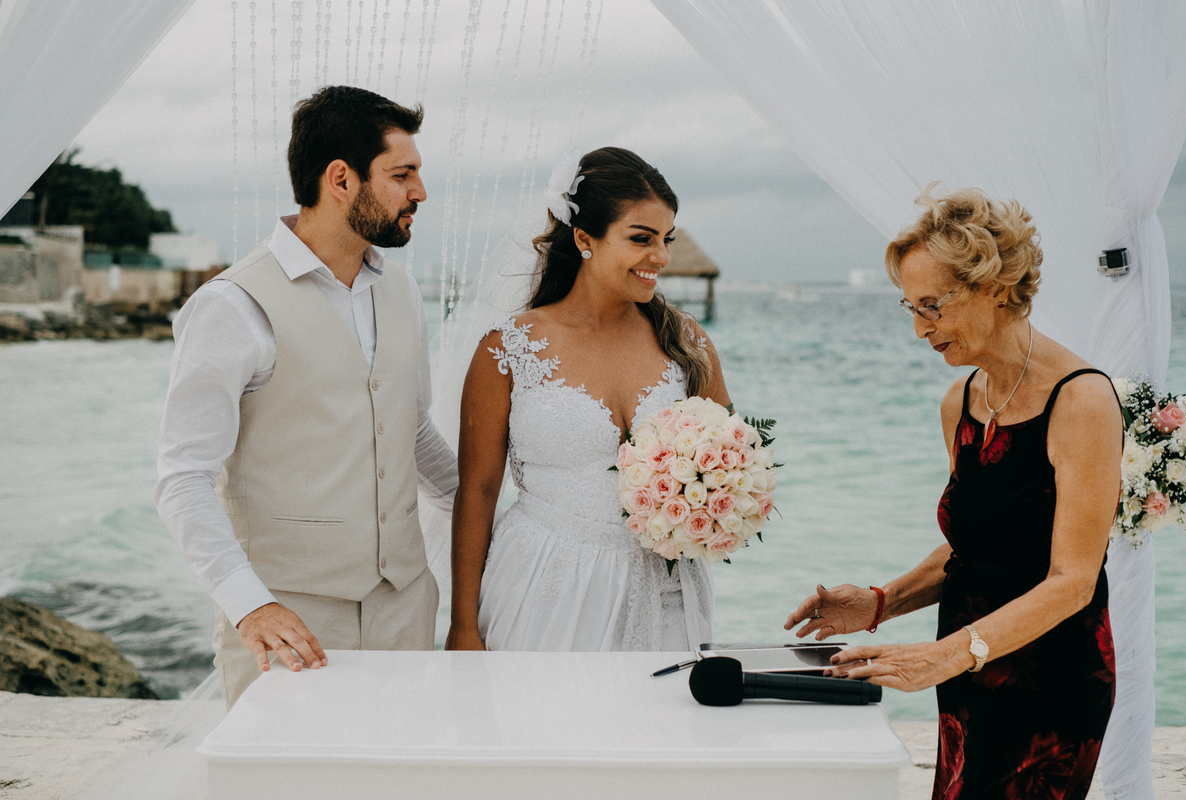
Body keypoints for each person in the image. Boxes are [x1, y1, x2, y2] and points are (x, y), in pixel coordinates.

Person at [784, 187, 1121, 799]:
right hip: (966, 671)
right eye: (910, 308)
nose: (919, 329)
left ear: (997, 286)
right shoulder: (960, 403)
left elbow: (1073, 578)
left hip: (1049, 682)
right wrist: (881, 602)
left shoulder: (1083, 401)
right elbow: (971, 545)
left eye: (933, 306)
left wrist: (944, 655)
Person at [155, 85, 457, 707]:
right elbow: (184, 476)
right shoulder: (231, 305)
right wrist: (249, 606)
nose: (419, 193)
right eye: (403, 174)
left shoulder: (401, 292)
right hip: (288, 626)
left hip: (405, 610)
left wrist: (495, 520)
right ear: (340, 179)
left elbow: (412, 428)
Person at [445, 147, 731, 652]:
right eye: (641, 239)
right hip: (544, 582)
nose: (661, 257)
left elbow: (730, 462)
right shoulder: (508, 348)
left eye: (666, 240)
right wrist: (463, 626)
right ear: (583, 238)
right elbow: (479, 492)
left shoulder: (688, 344)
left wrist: (713, 506)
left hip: (666, 594)